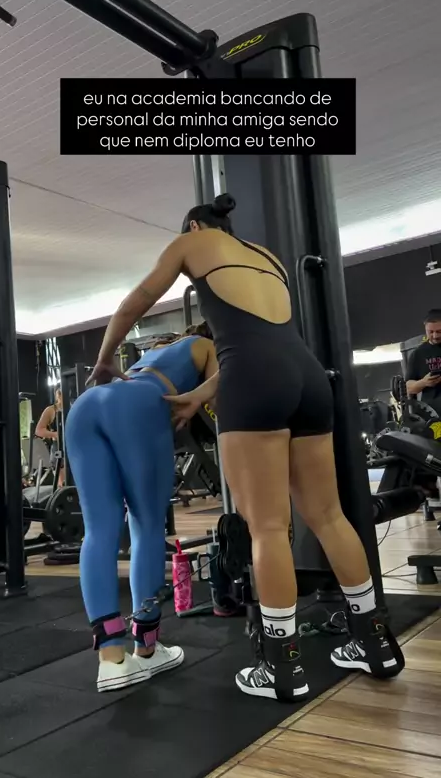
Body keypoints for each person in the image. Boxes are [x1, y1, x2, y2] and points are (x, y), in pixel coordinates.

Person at [88, 193, 404, 703]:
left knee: (269, 527)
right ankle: (376, 644)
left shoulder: (191, 242)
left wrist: (105, 361)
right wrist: (200, 394)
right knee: (329, 516)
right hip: (306, 375)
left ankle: (282, 668)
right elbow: (263, 344)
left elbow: (135, 302)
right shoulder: (268, 257)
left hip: (253, 379)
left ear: (194, 226)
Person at [65, 329, 218, 693]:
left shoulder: (158, 350)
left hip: (86, 406)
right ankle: (147, 650)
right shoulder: (208, 346)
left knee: (98, 531)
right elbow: (219, 399)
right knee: (147, 526)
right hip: (139, 407)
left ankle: (111, 661)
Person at [406, 310, 441, 417]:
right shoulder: (418, 354)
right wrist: (424, 382)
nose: (435, 335)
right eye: (430, 332)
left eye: (439, 331)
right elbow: (409, 388)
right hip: (433, 415)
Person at [35, 388, 65, 487]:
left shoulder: (74, 407)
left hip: (74, 447)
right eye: (62, 395)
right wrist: (55, 434)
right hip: (59, 448)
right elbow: (39, 430)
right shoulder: (51, 410)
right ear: (58, 396)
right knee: (63, 486)